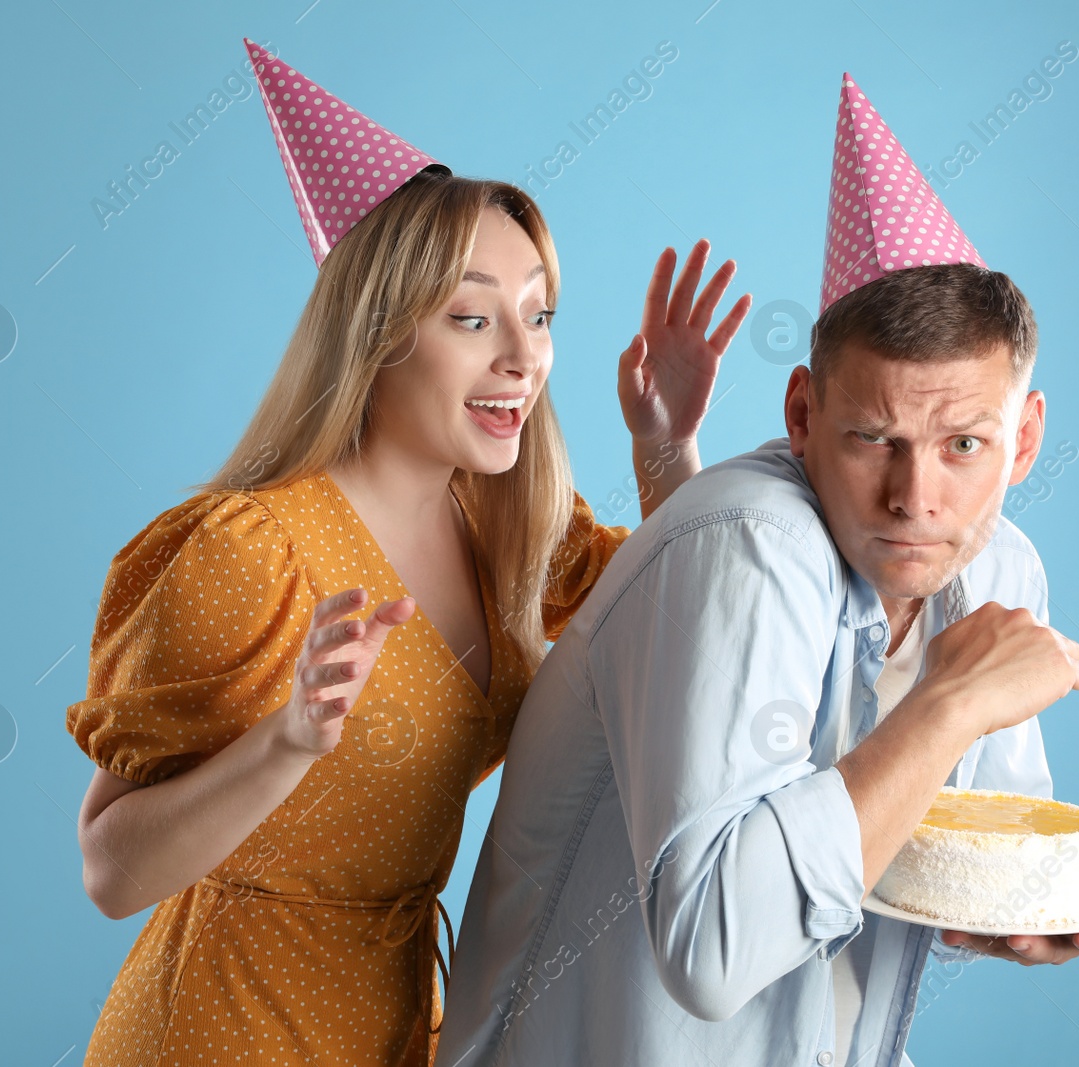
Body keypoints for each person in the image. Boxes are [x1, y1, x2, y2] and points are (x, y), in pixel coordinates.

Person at [439, 73, 1079, 1067]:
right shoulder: (747, 544)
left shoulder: (1002, 570)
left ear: (1026, 437)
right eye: (874, 437)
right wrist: (946, 704)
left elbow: (935, 848)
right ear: (801, 417)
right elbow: (711, 949)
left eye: (963, 443)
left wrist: (1016, 913)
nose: (916, 497)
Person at [63, 41, 749, 1067]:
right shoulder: (249, 553)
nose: (522, 356)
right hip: (221, 1028)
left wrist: (663, 444)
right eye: (473, 317)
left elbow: (687, 616)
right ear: (378, 335)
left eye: (538, 312)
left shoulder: (510, 523)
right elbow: (111, 870)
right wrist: (286, 741)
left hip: (397, 1027)